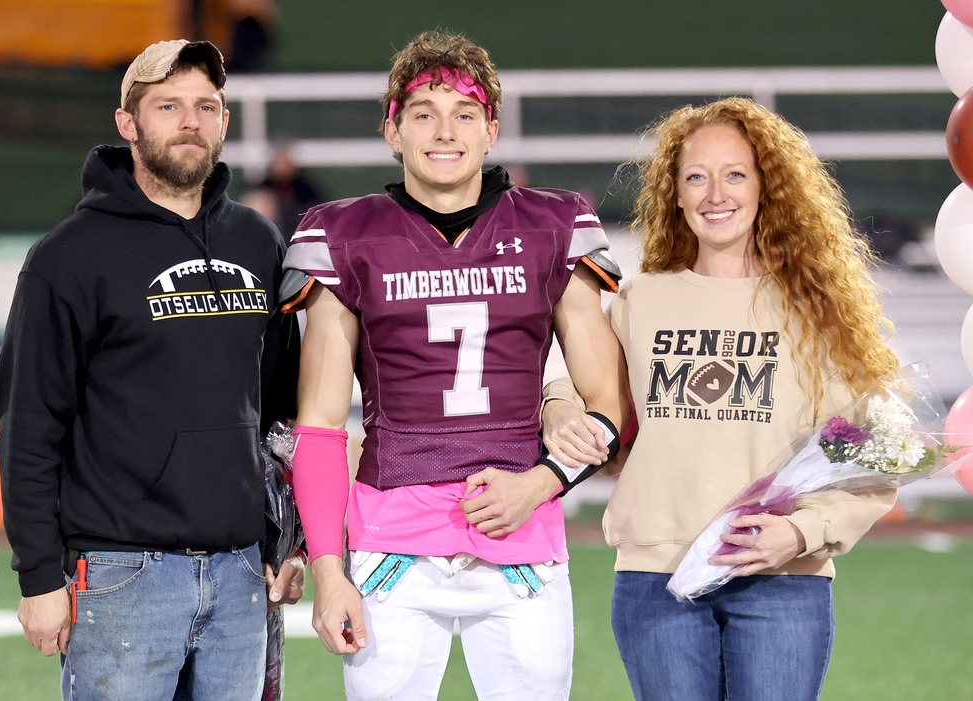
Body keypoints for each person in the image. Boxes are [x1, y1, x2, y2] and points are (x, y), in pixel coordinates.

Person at [280, 31, 630, 701]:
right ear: (393, 129)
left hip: (521, 542)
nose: (446, 130)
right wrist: (329, 572)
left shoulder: (554, 225)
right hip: (391, 547)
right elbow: (320, 425)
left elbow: (609, 405)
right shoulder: (344, 235)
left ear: (492, 128)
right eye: (423, 113)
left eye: (465, 113)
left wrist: (541, 482)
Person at [542, 97, 899, 701]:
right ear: (675, 194)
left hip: (782, 580)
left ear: (767, 187)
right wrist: (559, 407)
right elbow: (579, 384)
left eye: (735, 173)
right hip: (656, 577)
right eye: (695, 177)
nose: (716, 193)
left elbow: (881, 452)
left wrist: (804, 533)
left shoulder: (817, 310)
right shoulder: (643, 300)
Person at [0, 39, 303, 700]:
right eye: (168, 106)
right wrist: (38, 576)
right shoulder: (68, 256)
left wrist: (291, 541)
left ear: (223, 122)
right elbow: (27, 427)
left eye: (206, 106)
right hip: (119, 575)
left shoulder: (258, 241)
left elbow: (282, 412)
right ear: (128, 123)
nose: (190, 120)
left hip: (242, 574)